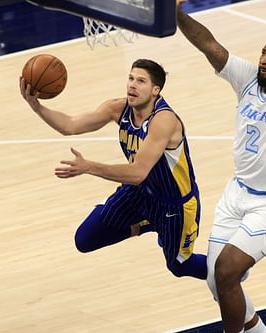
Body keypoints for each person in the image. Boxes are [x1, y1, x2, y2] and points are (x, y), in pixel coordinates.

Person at [176, 0, 266, 331]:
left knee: (227, 271)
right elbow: (210, 45)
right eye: (263, 53)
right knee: (216, 280)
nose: (264, 60)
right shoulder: (247, 81)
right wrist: (176, 15)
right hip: (236, 193)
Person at [19, 59, 207, 280]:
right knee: (86, 239)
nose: (132, 85)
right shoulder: (117, 108)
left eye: (141, 81)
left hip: (174, 203)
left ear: (156, 90)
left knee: (179, 266)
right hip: (138, 194)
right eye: (130, 78)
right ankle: (146, 223)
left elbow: (138, 173)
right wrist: (36, 106)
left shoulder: (164, 120)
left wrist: (89, 166)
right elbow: (70, 125)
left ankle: (228, 271)